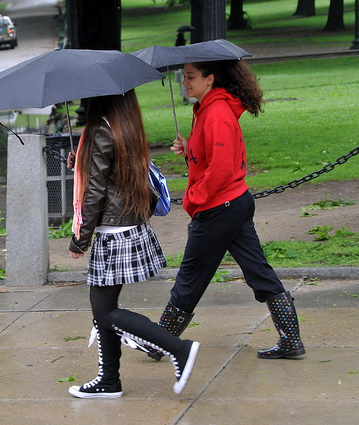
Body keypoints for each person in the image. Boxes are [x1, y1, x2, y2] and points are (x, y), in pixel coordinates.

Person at [145, 60, 305, 362]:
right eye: (184, 77)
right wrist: (190, 148)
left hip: (220, 207)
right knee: (258, 271)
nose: (184, 83)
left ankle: (159, 342)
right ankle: (291, 339)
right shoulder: (207, 110)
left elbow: (221, 169)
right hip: (233, 202)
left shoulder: (216, 113)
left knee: (191, 276)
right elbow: (213, 157)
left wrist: (194, 199)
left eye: (190, 77)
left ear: (210, 79)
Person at [67, 90, 200, 399]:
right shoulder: (125, 124)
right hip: (127, 223)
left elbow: (95, 191)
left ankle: (178, 348)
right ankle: (108, 380)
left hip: (113, 230)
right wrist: (82, 161)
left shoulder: (101, 129)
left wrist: (80, 239)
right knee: (103, 309)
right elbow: (112, 175)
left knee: (104, 311)